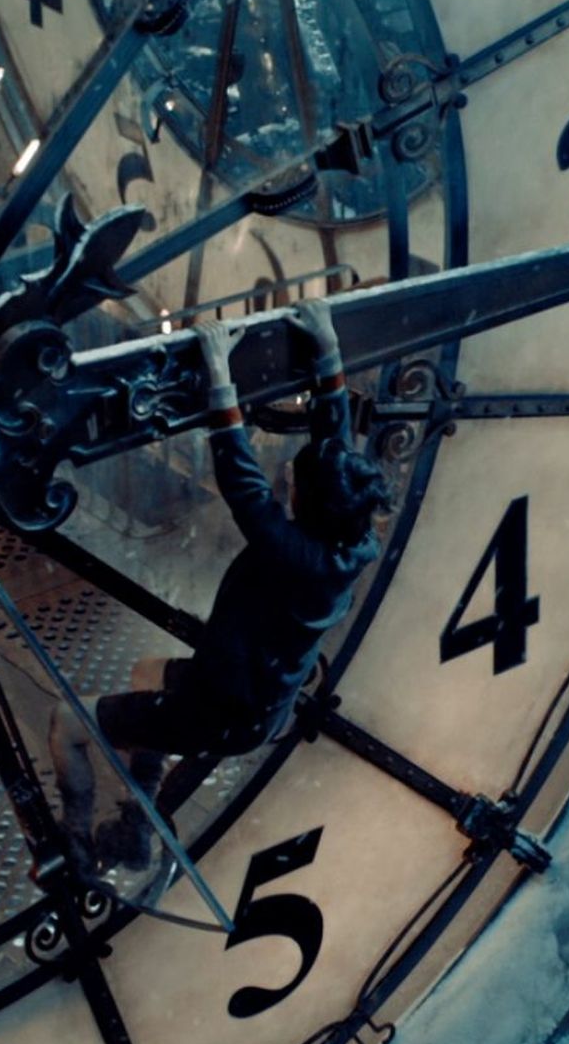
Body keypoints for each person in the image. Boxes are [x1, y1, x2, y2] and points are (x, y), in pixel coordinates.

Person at [48, 297, 391, 875]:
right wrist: (327, 347)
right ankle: (137, 821)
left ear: (307, 504)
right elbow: (333, 447)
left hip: (218, 712)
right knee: (145, 672)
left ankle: (77, 844)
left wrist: (218, 371)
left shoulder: (291, 553)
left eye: (294, 481)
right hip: (251, 700)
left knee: (66, 722)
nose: (287, 473)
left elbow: (241, 481)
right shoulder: (346, 540)